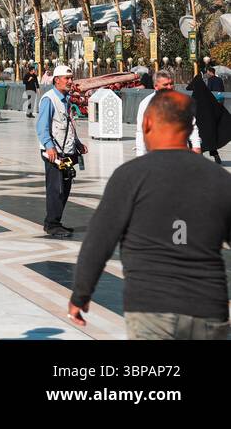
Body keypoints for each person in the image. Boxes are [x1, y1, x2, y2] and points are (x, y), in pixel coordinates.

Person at [69, 90, 231, 339]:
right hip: (207, 308)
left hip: (150, 308)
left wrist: (81, 293)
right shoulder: (220, 179)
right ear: (190, 128)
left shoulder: (130, 177)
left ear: (146, 123)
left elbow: (99, 241)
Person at [36, 64, 87, 238]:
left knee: (65, 188)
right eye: (67, 78)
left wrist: (78, 143)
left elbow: (68, 125)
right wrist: (49, 146)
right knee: (56, 189)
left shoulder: (66, 98)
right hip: (55, 153)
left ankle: (54, 221)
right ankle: (52, 225)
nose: (70, 82)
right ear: (57, 81)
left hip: (67, 151)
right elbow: (42, 126)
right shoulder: (49, 99)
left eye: (71, 78)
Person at [135, 70, 200, 156]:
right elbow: (141, 131)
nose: (169, 87)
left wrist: (196, 146)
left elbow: (192, 125)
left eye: (171, 84)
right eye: (165, 85)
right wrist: (140, 155)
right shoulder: (146, 104)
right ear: (156, 86)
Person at [188, 71, 231, 164]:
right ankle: (216, 157)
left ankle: (201, 160)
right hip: (209, 126)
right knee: (211, 141)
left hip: (199, 126)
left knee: (199, 142)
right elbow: (218, 109)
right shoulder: (208, 97)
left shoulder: (194, 97)